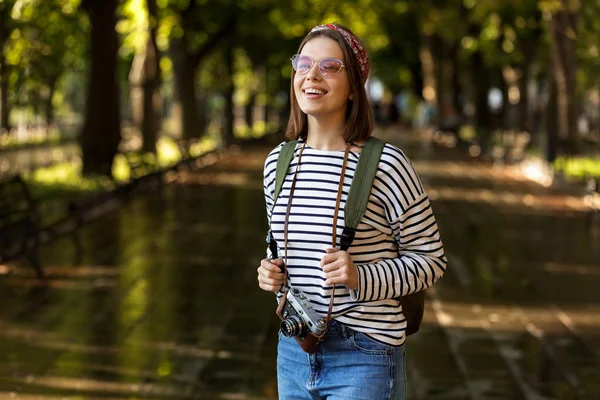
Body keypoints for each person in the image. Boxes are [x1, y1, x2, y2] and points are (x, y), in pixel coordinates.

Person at [258, 23, 447, 399]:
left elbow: (431, 260)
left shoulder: (387, 164)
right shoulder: (278, 163)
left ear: (354, 86)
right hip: (295, 349)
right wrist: (270, 271)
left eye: (329, 66)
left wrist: (360, 276)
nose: (312, 75)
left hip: (366, 354)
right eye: (304, 64)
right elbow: (280, 247)